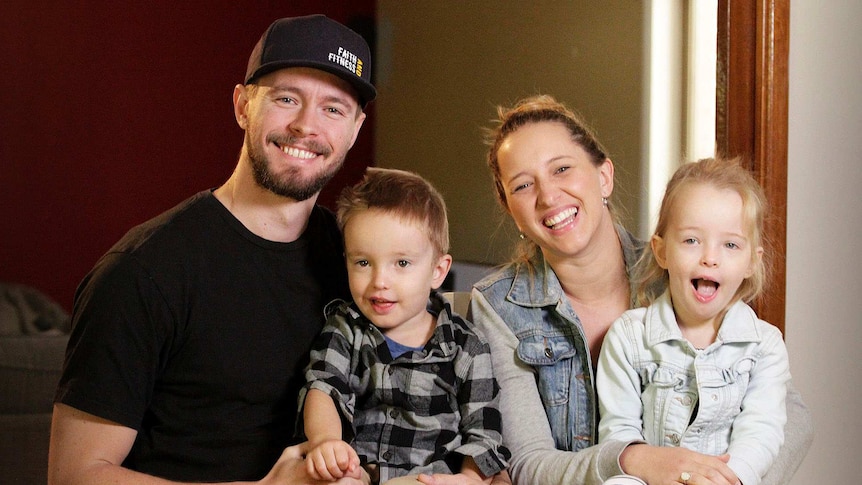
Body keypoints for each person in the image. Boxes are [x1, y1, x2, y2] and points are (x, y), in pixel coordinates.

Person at [48, 14, 375, 484]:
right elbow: (72, 476)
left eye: (333, 109)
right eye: (287, 99)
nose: (306, 126)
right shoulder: (144, 272)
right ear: (243, 106)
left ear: (356, 128)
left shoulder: (357, 262)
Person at [457, 95, 813, 485]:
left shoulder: (681, 267)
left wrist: (728, 479)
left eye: (562, 169)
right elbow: (529, 462)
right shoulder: (496, 306)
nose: (548, 196)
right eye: (523, 185)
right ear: (511, 210)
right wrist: (634, 461)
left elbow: (789, 417)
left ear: (604, 176)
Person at [299, 167, 510, 485]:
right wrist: (326, 442)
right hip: (361, 474)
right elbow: (324, 388)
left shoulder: (466, 345)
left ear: (437, 271)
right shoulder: (346, 329)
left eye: (401, 263)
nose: (379, 282)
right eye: (363, 263)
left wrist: (469, 478)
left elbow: (484, 429)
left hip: (431, 478)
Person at [597, 157, 790, 485]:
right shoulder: (629, 337)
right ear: (662, 251)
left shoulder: (764, 346)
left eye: (730, 244)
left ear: (750, 262)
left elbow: (761, 433)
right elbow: (619, 434)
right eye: (691, 240)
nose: (710, 258)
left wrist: (724, 480)